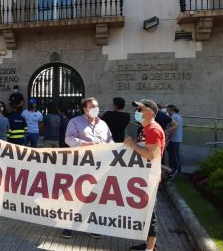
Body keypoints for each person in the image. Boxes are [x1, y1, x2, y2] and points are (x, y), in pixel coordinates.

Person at [64, 97, 113, 239]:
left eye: (97, 106)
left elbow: (110, 140)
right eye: (93, 106)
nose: (96, 109)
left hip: (100, 168)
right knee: (75, 196)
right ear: (85, 109)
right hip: (80, 167)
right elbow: (69, 139)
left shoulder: (103, 124)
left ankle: (92, 225)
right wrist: (88, 144)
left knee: (95, 197)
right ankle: (69, 226)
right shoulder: (75, 122)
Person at [124, 99, 165, 251]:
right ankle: (148, 244)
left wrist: (132, 145)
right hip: (142, 177)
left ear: (151, 112)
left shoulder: (154, 130)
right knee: (144, 214)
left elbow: (151, 155)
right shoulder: (145, 129)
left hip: (149, 179)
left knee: (150, 215)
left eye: (141, 109)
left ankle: (150, 248)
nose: (138, 112)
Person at [167, 104, 183, 178]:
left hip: (174, 139)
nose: (167, 111)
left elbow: (173, 129)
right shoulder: (179, 116)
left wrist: (169, 138)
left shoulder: (173, 117)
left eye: (168, 109)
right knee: (176, 154)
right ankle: (178, 169)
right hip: (178, 138)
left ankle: (175, 169)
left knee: (173, 155)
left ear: (171, 109)